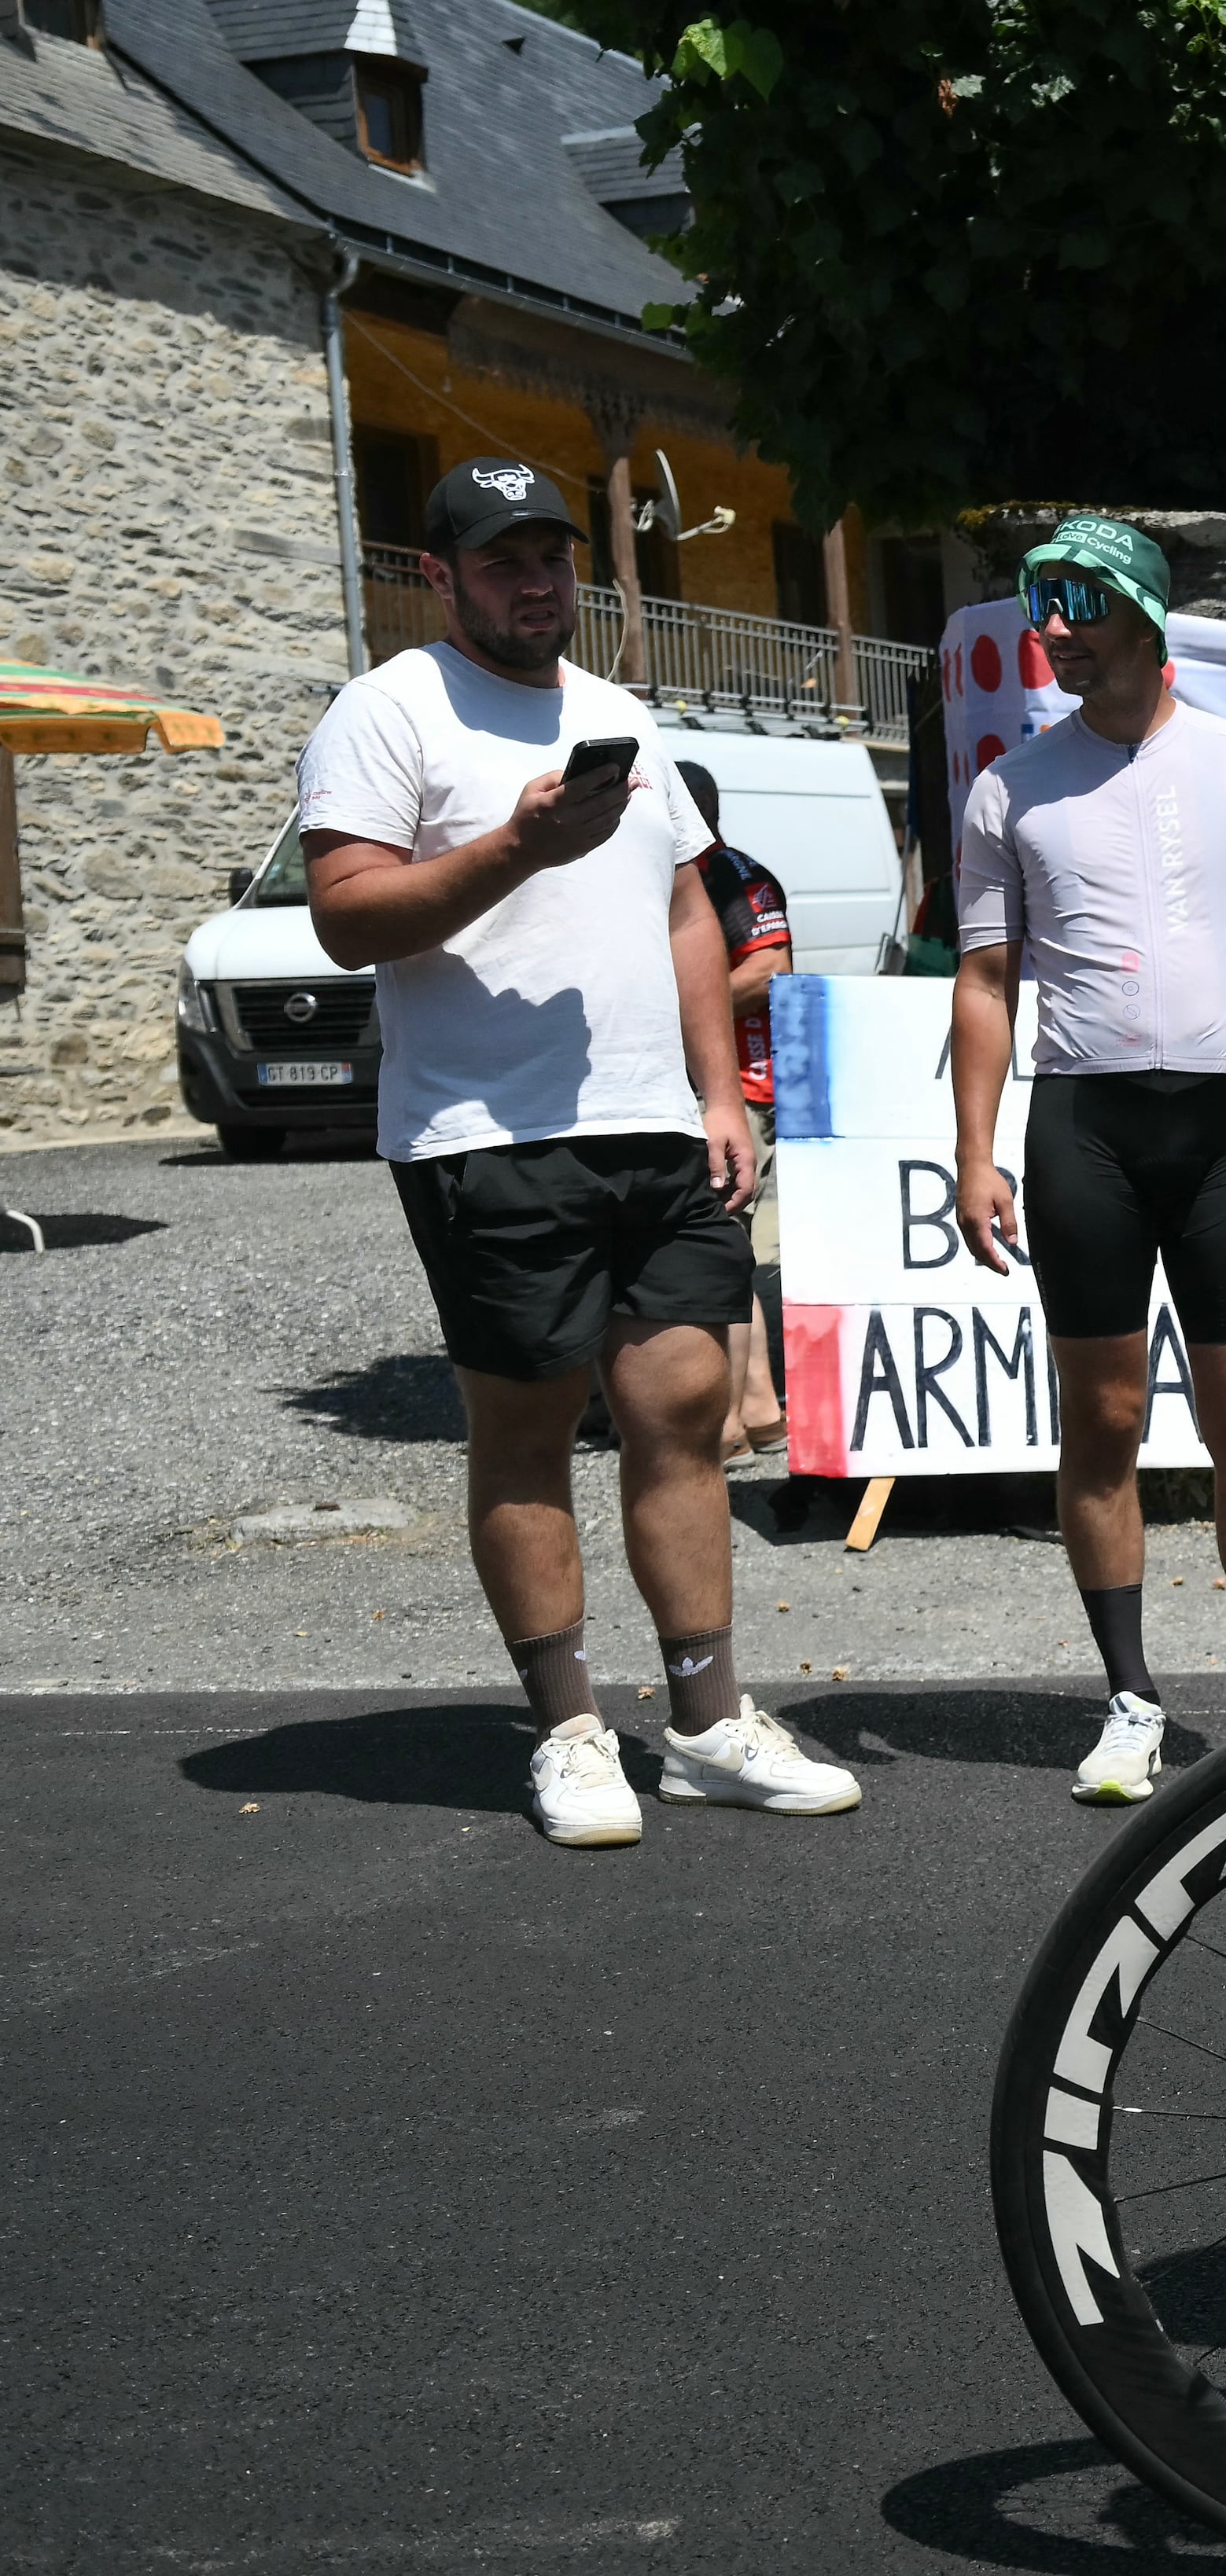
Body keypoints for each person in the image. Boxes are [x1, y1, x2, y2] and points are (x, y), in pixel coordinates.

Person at [299, 457, 859, 1849]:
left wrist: (718, 1090)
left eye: (551, 554)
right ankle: (566, 1730)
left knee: (683, 1412)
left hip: (654, 1125)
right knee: (528, 1426)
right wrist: (520, 844)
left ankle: (709, 1718)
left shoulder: (615, 711)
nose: (536, 579)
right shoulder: (388, 710)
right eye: (502, 559)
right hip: (487, 1132)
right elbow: (350, 918)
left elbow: (684, 904)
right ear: (439, 575)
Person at [948, 516, 1226, 1804]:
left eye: (1075, 600)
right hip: (1085, 1129)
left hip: (1223, 1127)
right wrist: (973, 1151)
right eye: (1039, 603)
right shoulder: (1010, 785)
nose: (1052, 626)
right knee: (1107, 1421)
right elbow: (983, 979)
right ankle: (1130, 1698)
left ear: (1143, 611)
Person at [674, 759, 795, 1462]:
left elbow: (768, 969)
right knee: (729, 1254)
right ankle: (756, 1413)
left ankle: (721, 1423)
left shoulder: (726, 874)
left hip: (739, 1089)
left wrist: (670, 1002)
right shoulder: (705, 873)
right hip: (730, 1089)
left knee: (708, 1255)